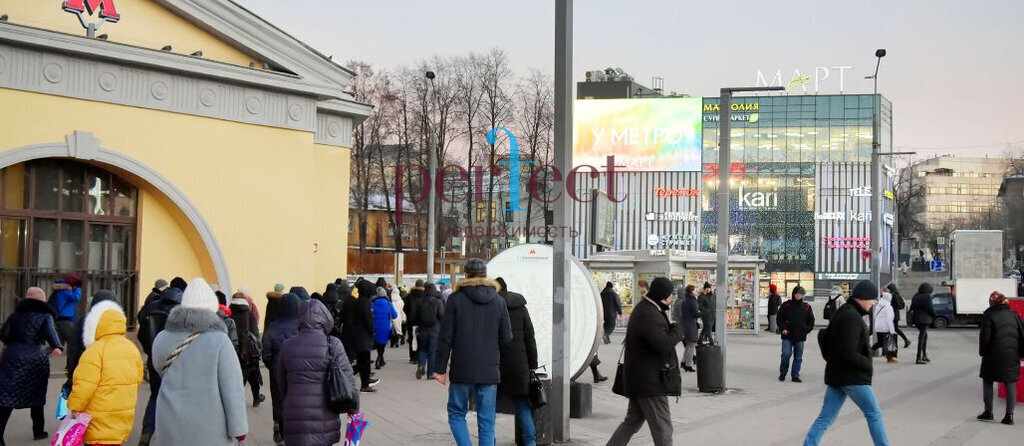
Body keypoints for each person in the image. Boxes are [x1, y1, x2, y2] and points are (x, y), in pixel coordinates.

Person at [151, 278, 248, 446]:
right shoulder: (220, 341)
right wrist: (239, 429)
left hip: (169, 425)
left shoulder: (162, 338)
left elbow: (158, 368)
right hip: (210, 429)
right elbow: (232, 389)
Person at [433, 258, 513, 446]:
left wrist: (439, 369)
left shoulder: (455, 299)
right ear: (486, 276)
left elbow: (446, 336)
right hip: (489, 371)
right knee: (486, 420)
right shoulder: (499, 301)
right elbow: (507, 338)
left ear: (466, 275)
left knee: (456, 413)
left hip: (462, 370)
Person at [804, 281, 889, 446]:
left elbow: (826, 338)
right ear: (863, 298)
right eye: (872, 300)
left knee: (825, 418)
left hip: (837, 376)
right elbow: (847, 351)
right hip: (852, 377)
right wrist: (867, 363)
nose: (873, 304)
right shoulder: (851, 317)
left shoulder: (845, 312)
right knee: (874, 414)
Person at [607, 277, 682, 446]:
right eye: (670, 296)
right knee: (663, 429)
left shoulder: (647, 309)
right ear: (662, 296)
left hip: (640, 379)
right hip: (650, 383)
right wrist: (677, 329)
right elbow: (663, 345)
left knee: (632, 422)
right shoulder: (649, 314)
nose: (671, 300)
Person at [277, 299, 359, 446]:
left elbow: (281, 383)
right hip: (325, 414)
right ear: (325, 318)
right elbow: (348, 380)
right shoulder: (333, 344)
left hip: (294, 415)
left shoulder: (287, 345)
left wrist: (288, 403)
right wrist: (354, 410)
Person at [67, 299, 144, 446]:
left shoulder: (95, 350)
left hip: (96, 416)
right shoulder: (132, 348)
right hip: (123, 414)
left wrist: (75, 407)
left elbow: (84, 385)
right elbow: (138, 379)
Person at [0, 287, 63, 444]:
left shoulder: (14, 315)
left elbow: (4, 335)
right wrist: (57, 346)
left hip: (11, 357)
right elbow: (52, 336)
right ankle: (38, 431)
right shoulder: (45, 316)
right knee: (37, 395)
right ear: (42, 300)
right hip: (35, 359)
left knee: (6, 398)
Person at [495, 277, 539, 446]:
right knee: (523, 405)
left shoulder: (493, 307)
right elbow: (530, 338)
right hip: (519, 365)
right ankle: (530, 442)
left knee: (490, 407)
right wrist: (532, 365)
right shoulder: (521, 308)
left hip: (497, 364)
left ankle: (489, 441)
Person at [136, 286, 182, 445]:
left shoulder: (151, 307)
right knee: (176, 398)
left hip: (153, 358)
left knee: (155, 395)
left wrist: (149, 350)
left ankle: (147, 431)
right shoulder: (180, 311)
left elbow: (141, 333)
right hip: (174, 361)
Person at [977, 291, 1023, 425]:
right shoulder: (1014, 315)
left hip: (993, 355)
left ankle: (988, 412)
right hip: (1012, 354)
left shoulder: (989, 316)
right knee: (1010, 383)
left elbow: (985, 337)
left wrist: (982, 352)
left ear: (992, 302)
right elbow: (1022, 334)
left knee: (988, 381)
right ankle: (1009, 416)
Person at [263, 292, 300, 445]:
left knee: (279, 401)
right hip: (297, 371)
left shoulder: (272, 328)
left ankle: (281, 430)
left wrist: (272, 367)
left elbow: (265, 353)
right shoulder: (301, 326)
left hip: (277, 372)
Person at [64, 290, 119, 391]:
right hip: (110, 373)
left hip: (86, 368)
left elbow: (73, 348)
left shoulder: (84, 321)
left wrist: (71, 373)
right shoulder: (118, 322)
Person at [230, 292, 265, 407]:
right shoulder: (250, 314)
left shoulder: (230, 314)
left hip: (234, 352)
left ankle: (237, 400)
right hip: (249, 352)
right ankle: (256, 397)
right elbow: (255, 334)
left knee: (239, 378)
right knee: (253, 375)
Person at [345, 280, 379, 392]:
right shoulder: (365, 303)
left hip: (355, 335)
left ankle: (365, 383)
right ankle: (346, 377)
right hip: (363, 336)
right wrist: (373, 331)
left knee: (363, 360)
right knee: (363, 362)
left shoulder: (356, 301)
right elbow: (368, 320)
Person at [778, 286, 815, 382]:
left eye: (801, 294)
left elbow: (811, 321)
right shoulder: (786, 305)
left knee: (798, 357)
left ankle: (795, 375)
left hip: (800, 336)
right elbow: (780, 318)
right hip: (787, 335)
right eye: (797, 293)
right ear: (794, 294)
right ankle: (783, 372)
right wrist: (783, 328)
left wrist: (806, 330)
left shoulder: (806, 306)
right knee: (786, 354)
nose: (799, 296)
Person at [414, 281, 445, 380]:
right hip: (435, 330)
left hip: (422, 330)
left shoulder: (419, 301)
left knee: (422, 349)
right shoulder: (438, 302)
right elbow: (442, 316)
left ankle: (421, 365)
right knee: (432, 352)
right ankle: (430, 373)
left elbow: (413, 317)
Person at [673, 284, 700, 373]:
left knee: (688, 344)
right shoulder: (682, 302)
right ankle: (688, 362)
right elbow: (683, 315)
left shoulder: (678, 301)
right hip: (684, 325)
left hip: (681, 325)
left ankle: (685, 362)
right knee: (690, 344)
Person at [909, 283, 937, 364]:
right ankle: (919, 357)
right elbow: (930, 308)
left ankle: (924, 355)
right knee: (922, 337)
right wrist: (934, 314)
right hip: (924, 319)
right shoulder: (927, 296)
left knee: (924, 335)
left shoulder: (916, 296)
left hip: (916, 318)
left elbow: (912, 307)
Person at [51, 274, 83, 345]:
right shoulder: (65, 291)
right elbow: (77, 297)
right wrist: (78, 288)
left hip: (61, 318)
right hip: (64, 319)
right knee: (74, 341)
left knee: (58, 344)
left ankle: (42, 354)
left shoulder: (62, 289)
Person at [371, 287, 398, 369]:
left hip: (374, 327)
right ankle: (379, 359)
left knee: (379, 344)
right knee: (382, 345)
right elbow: (395, 315)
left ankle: (381, 359)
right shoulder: (388, 304)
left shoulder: (372, 304)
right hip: (386, 327)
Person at [872, 292, 898, 363]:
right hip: (885, 327)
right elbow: (889, 320)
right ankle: (890, 357)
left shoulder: (878, 305)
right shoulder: (888, 307)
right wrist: (892, 330)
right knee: (890, 343)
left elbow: (874, 315)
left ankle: (870, 350)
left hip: (878, 327)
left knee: (880, 342)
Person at [404, 280, 426, 364]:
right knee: (420, 339)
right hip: (421, 321)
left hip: (411, 321)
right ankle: (419, 357)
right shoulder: (424, 295)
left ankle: (412, 357)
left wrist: (409, 315)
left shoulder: (409, 296)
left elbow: (405, 308)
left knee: (411, 338)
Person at [887, 283, 911, 348]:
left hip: (893, 314)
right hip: (895, 314)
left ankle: (904, 340)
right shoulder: (896, 294)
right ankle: (904, 340)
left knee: (894, 329)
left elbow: (897, 305)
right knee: (895, 329)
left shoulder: (893, 295)